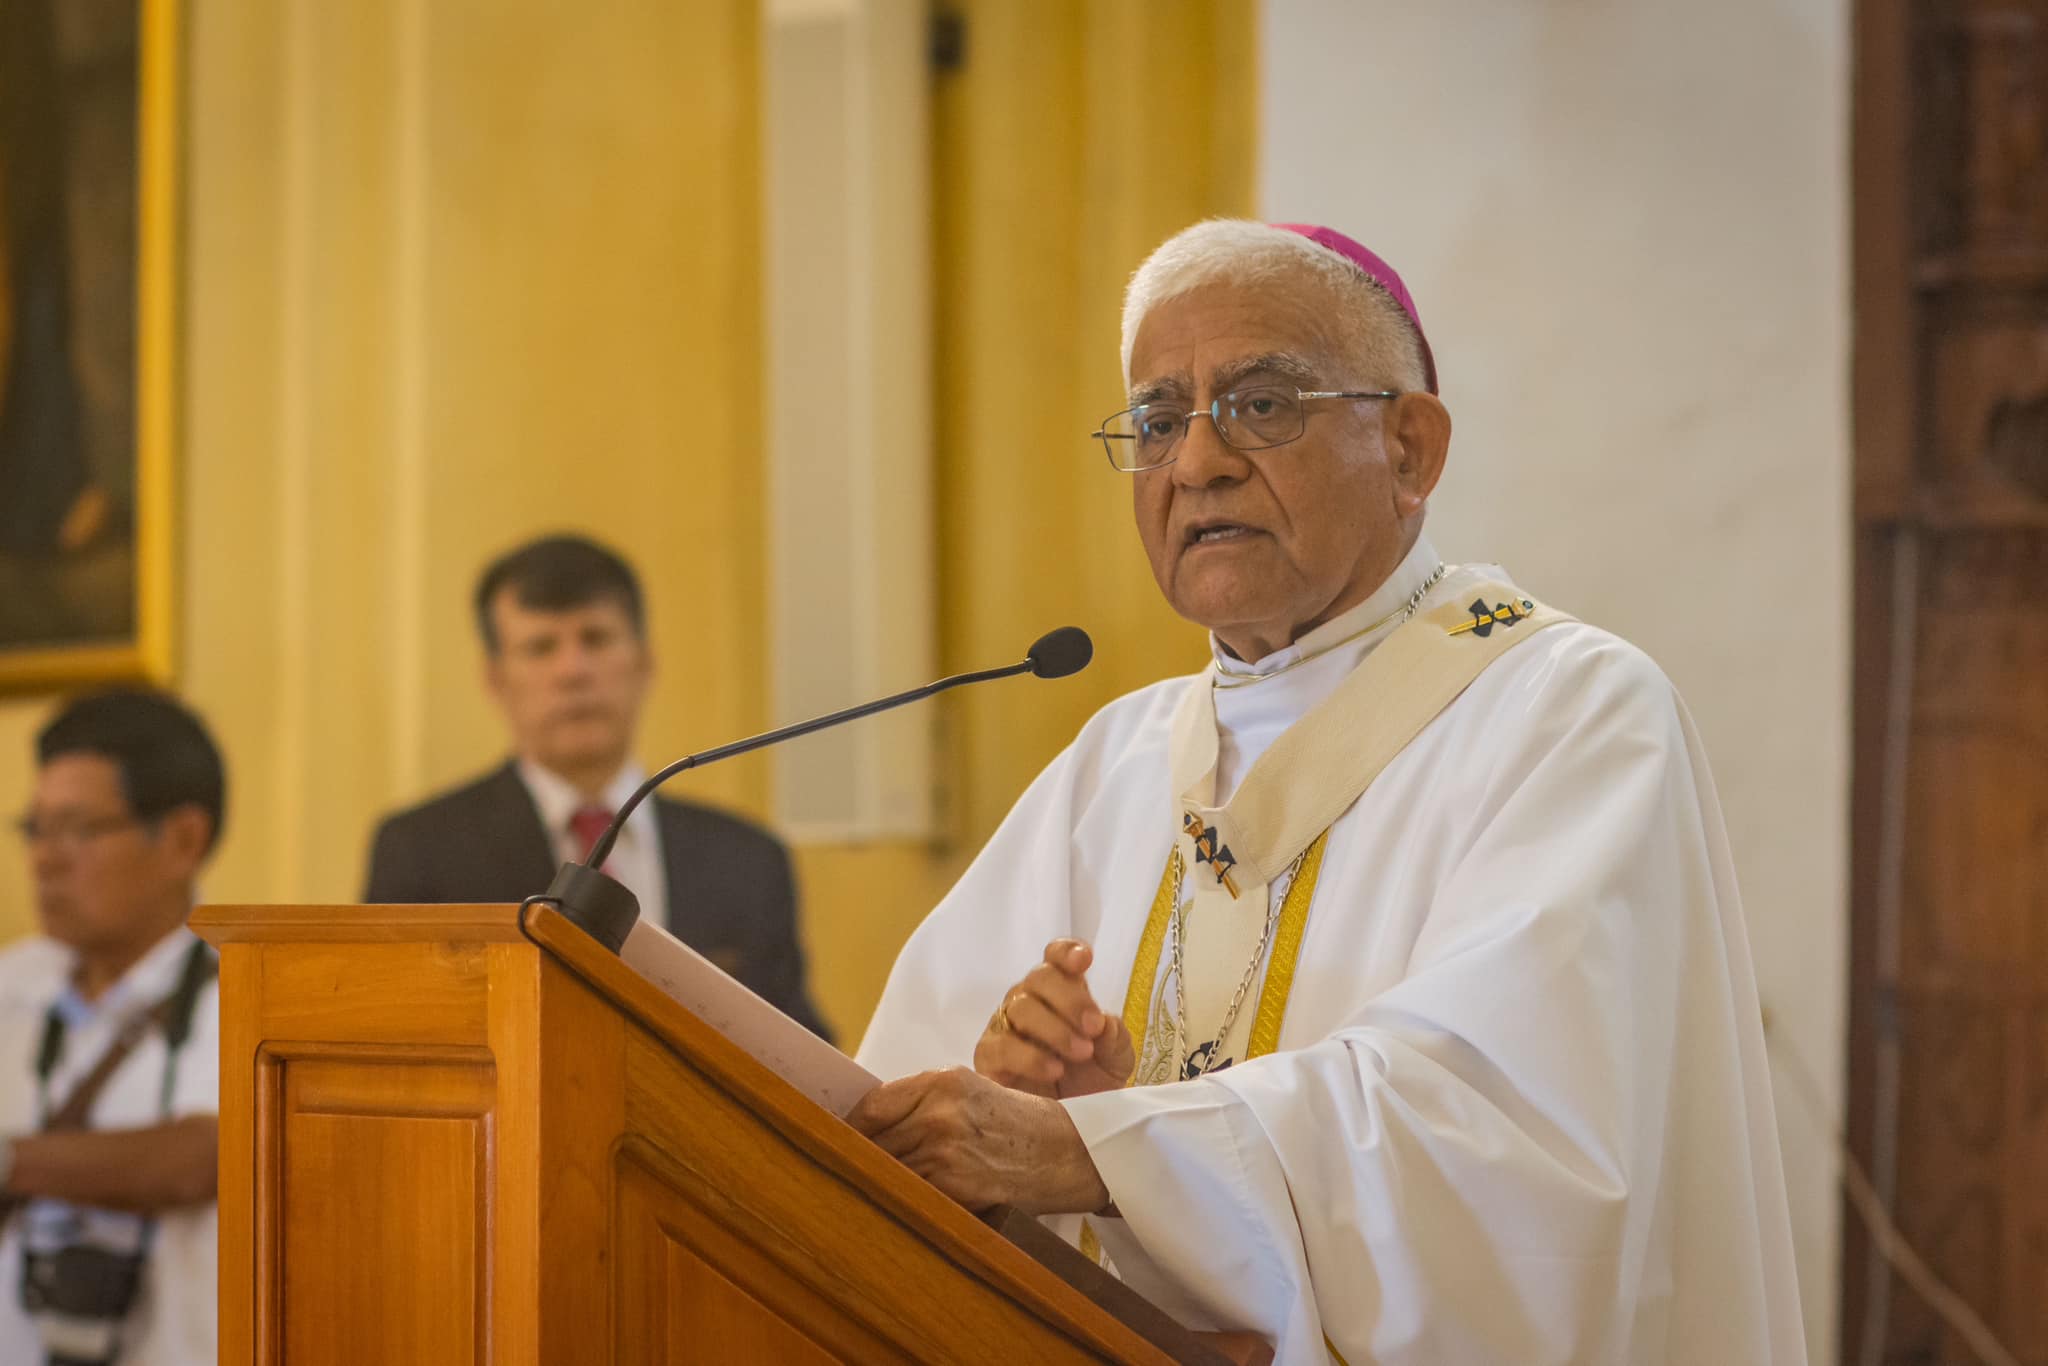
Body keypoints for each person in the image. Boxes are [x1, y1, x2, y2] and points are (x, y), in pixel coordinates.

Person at [848, 221, 1804, 1363]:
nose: (1195, 461)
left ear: (1410, 449)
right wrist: (1020, 1107)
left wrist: (1095, 1151)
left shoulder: (1568, 712)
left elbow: (1498, 1148)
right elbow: (885, 1141)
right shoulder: (1113, 765)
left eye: (1262, 405)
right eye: (1157, 421)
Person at [363, 533, 831, 1038]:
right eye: (541, 647)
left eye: (597, 638)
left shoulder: (747, 859)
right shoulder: (422, 851)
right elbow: (394, 1038)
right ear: (496, 680)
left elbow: (796, 1047)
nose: (573, 670)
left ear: (644, 662)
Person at [0, 690, 225, 1366]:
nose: (45, 859)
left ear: (184, 839)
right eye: (35, 830)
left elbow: (207, 1155)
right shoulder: (13, 984)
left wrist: (14, 1163)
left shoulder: (246, 988)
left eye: (79, 830)